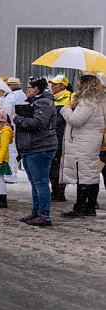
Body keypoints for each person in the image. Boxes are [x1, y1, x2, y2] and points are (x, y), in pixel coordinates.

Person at [58, 73, 106, 218]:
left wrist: (65, 109)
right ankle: (90, 206)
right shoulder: (101, 101)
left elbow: (76, 120)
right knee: (91, 173)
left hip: (82, 142)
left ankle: (79, 207)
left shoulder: (87, 102)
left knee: (83, 174)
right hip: (93, 141)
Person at [15, 77, 59, 227]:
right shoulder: (36, 103)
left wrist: (17, 119)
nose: (26, 90)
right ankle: (36, 211)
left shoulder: (44, 103)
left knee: (40, 183)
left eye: (29, 87)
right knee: (35, 183)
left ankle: (44, 215)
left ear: (36, 89)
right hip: (31, 147)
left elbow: (39, 123)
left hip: (40, 147)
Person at [48, 75, 72, 201]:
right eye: (51, 84)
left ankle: (60, 191)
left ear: (63, 85)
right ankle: (55, 189)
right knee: (53, 163)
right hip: (52, 135)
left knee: (61, 164)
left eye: (55, 84)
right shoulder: (51, 99)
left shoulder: (71, 98)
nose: (52, 86)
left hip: (64, 136)